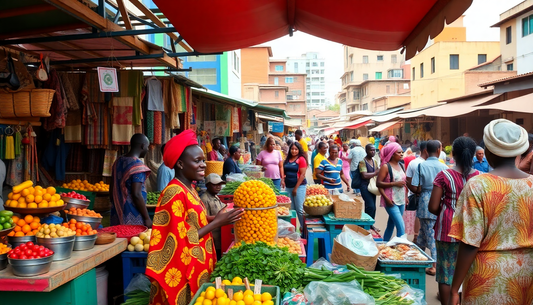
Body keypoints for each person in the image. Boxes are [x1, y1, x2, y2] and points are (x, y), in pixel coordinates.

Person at [146, 130, 244, 305]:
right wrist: (218, 223)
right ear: (181, 164)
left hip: (197, 263)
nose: (203, 165)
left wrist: (217, 217)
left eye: (203, 161)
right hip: (183, 271)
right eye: (197, 161)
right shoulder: (174, 192)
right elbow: (177, 239)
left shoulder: (189, 188)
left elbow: (193, 221)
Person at [448, 119, 533, 305]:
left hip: (487, 276)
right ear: (520, 152)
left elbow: (470, 243)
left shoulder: (478, 185)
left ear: (487, 152)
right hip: (528, 274)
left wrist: (455, 289)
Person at [427, 137, 480, 305]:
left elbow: (433, 207)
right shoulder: (480, 177)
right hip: (472, 231)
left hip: (447, 229)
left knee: (445, 273)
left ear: (453, 154)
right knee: (468, 272)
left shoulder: (444, 175)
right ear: (472, 154)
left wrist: (447, 209)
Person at [411, 140, 448, 275]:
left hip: (425, 199)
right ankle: (417, 260)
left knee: (429, 233)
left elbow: (415, 186)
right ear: (439, 150)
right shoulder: (444, 167)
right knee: (425, 234)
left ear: (426, 150)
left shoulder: (421, 166)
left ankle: (433, 265)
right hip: (440, 200)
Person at [110, 134, 152, 227]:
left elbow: (111, 188)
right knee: (133, 240)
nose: (148, 150)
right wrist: (147, 218)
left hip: (117, 212)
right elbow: (136, 194)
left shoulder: (118, 162)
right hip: (132, 215)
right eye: (147, 147)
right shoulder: (137, 166)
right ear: (142, 146)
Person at [376, 142, 407, 241]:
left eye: (402, 152)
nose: (402, 154)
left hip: (401, 200)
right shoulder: (386, 167)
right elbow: (379, 183)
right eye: (399, 152)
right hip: (391, 201)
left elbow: (404, 183)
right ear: (392, 154)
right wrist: (394, 184)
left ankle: (384, 244)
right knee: (401, 227)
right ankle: (400, 248)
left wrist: (406, 196)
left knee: (391, 224)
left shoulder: (402, 166)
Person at [406, 142, 428, 244]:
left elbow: (407, 180)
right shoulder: (426, 164)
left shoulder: (413, 162)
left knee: (418, 216)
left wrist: (414, 191)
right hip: (427, 194)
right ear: (425, 151)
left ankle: (416, 236)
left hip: (416, 193)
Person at [200, 173, 227, 258]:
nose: (218, 187)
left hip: (221, 235)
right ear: (207, 185)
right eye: (215, 184)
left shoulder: (215, 196)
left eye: (220, 184)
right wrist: (221, 218)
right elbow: (204, 218)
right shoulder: (204, 199)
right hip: (214, 238)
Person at [282, 142, 307, 228]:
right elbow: (285, 172)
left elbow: (302, 175)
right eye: (292, 149)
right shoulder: (288, 159)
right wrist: (283, 180)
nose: (294, 151)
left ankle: (303, 229)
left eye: (296, 149)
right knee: (291, 210)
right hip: (288, 186)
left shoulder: (301, 159)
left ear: (299, 150)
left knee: (299, 209)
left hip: (299, 186)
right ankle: (292, 229)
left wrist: (295, 189)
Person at [359, 144, 380, 219]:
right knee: (370, 206)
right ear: (366, 151)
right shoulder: (362, 162)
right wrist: (375, 173)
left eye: (374, 150)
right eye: (371, 150)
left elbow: (378, 171)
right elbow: (364, 175)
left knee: (373, 207)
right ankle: (367, 225)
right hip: (365, 187)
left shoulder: (374, 161)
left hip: (372, 186)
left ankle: (370, 224)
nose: (373, 152)